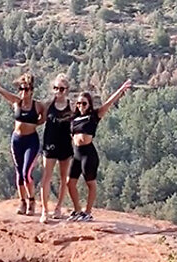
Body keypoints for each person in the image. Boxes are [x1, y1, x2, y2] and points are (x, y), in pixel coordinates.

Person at [0, 68, 42, 215]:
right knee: (19, 173)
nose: (24, 92)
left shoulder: (37, 106)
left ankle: (32, 201)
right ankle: (22, 202)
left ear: (32, 90)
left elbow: (45, 116)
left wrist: (36, 124)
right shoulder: (16, 103)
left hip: (31, 141)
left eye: (27, 89)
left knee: (26, 173)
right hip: (17, 140)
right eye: (21, 89)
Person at [67, 80, 133, 222]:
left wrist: (121, 89)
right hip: (77, 153)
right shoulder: (74, 118)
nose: (81, 106)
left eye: (84, 103)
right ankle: (77, 210)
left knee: (90, 183)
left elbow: (109, 103)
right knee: (70, 182)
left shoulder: (94, 116)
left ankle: (88, 212)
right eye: (78, 103)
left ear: (89, 104)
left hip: (88, 154)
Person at [37, 74, 76, 223]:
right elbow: (38, 118)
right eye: (55, 88)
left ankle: (59, 207)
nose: (58, 92)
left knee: (63, 177)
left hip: (65, 144)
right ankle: (44, 211)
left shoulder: (71, 106)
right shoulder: (48, 105)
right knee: (46, 177)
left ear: (66, 90)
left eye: (61, 89)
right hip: (50, 144)